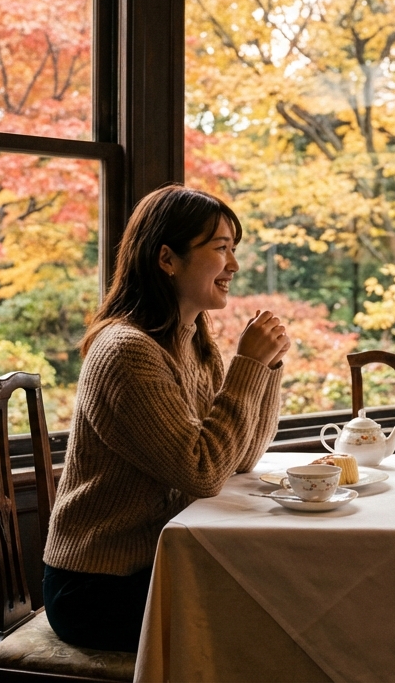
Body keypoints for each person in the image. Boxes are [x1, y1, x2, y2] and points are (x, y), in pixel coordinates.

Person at [42, 184, 289, 652]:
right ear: (167, 258)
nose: (234, 266)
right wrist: (247, 366)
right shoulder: (126, 351)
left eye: (233, 250)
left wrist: (266, 368)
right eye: (221, 248)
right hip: (99, 586)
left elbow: (240, 458)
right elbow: (202, 472)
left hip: (158, 565)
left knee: (285, 594)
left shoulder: (193, 339)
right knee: (274, 612)